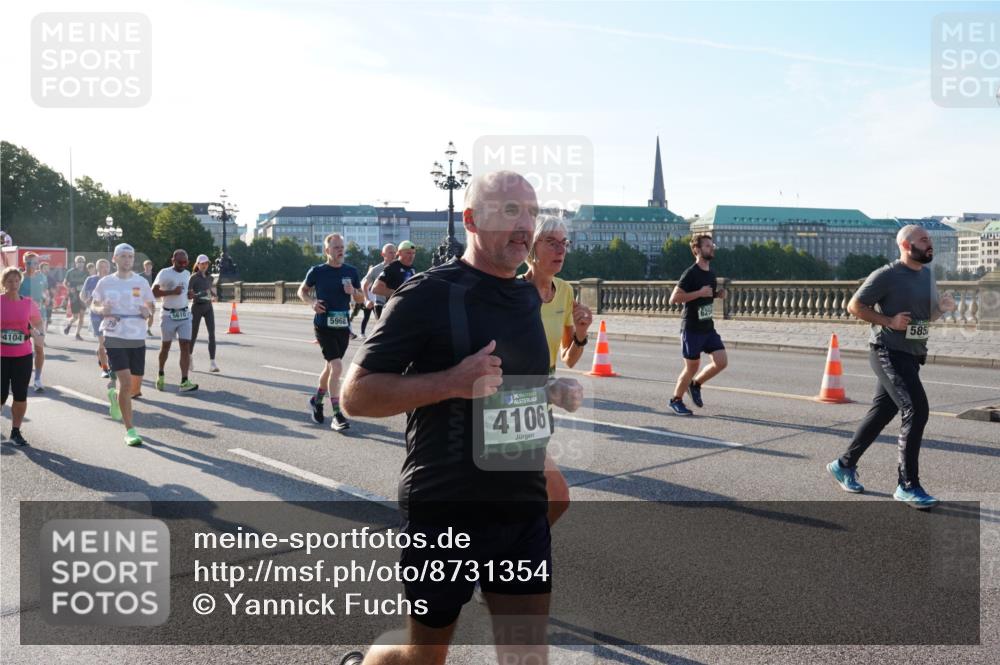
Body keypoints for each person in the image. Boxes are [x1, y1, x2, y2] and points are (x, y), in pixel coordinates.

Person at [340, 171, 584, 665]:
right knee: (423, 658)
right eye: (510, 211)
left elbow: (510, 384)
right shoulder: (428, 295)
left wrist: (551, 389)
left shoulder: (524, 294)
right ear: (471, 219)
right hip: (445, 510)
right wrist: (450, 382)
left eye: (532, 213)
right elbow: (355, 396)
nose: (525, 226)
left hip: (519, 507)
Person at [827, 224, 957, 509]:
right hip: (887, 352)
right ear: (906, 245)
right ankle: (907, 485)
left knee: (882, 412)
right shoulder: (886, 275)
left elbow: (925, 319)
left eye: (930, 239)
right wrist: (889, 321)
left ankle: (843, 465)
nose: (929, 244)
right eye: (924, 240)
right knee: (916, 409)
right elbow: (854, 306)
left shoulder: (927, 275)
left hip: (911, 354)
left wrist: (942, 309)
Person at [522, 215, 593, 527]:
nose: (560, 249)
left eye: (564, 243)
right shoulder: (512, 290)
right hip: (510, 404)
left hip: (540, 405)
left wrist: (580, 332)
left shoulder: (564, 291)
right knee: (557, 496)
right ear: (531, 247)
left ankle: (508, 556)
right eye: (551, 242)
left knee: (533, 496)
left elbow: (570, 358)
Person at [298, 233, 364, 431]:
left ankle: (316, 401)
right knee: (336, 367)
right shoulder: (317, 271)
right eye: (336, 247)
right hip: (323, 326)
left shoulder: (351, 271)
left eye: (342, 247)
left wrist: (353, 292)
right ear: (327, 251)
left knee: (330, 368)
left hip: (342, 326)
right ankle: (337, 415)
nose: (340, 250)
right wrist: (312, 303)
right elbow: (302, 291)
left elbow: (361, 299)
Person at [91, 243, 156, 446]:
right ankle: (130, 430)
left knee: (134, 385)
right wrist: (102, 309)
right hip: (114, 334)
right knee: (126, 383)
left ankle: (115, 395)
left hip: (137, 336)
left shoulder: (141, 282)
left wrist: (149, 311)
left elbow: (151, 304)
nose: (127, 260)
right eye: (123, 256)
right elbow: (94, 304)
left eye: (130, 256)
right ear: (115, 259)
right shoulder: (105, 282)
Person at [667, 234, 728, 416]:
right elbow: (674, 299)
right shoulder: (690, 273)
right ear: (697, 250)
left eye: (712, 245)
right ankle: (675, 400)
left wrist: (717, 295)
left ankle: (696, 384)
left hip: (707, 327)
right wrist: (699, 292)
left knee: (721, 361)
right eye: (708, 246)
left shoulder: (711, 273)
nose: (712, 248)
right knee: (691, 367)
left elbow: (706, 295)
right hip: (692, 328)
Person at [1, 267, 44, 447]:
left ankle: (16, 431)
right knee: (1, 395)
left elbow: (38, 323)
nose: (13, 284)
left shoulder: (28, 303)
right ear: (3, 284)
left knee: (20, 395)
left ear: (20, 283)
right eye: (10, 281)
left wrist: (38, 333)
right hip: (1, 356)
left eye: (16, 281)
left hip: (23, 355)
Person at [152, 249, 198, 393]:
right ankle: (160, 373)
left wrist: (190, 295)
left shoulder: (186, 274)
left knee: (185, 345)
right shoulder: (164, 273)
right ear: (173, 260)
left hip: (184, 314)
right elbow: (153, 292)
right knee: (166, 347)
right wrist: (171, 292)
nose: (183, 264)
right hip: (168, 315)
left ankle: (184, 381)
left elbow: (184, 292)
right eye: (180, 262)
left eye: (186, 262)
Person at [19, 252, 50, 392]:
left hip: (38, 318)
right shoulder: (18, 278)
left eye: (36, 263)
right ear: (24, 263)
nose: (33, 266)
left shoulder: (42, 277)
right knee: (19, 350)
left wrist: (46, 298)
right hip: (19, 318)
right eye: (30, 263)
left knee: (39, 348)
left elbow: (45, 292)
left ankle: (37, 379)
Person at [189, 254, 219, 373]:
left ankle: (212, 362)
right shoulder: (193, 278)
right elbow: (189, 295)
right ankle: (190, 357)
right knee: (193, 335)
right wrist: (200, 294)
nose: (204, 265)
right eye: (202, 264)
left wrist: (214, 294)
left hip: (208, 308)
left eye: (206, 263)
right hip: (196, 308)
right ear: (198, 264)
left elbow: (210, 289)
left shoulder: (210, 277)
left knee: (212, 334)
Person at [82, 259, 112, 378]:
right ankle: (105, 369)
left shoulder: (112, 280)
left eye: (106, 267)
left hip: (109, 314)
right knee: (103, 342)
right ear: (97, 268)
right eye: (102, 266)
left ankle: (102, 355)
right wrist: (87, 302)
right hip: (95, 315)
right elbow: (83, 294)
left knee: (109, 342)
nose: (104, 269)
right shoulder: (91, 280)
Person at [361, 244, 396, 325]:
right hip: (380, 305)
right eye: (390, 253)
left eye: (394, 252)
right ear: (383, 254)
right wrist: (367, 300)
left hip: (395, 303)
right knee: (383, 329)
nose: (393, 255)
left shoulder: (400, 268)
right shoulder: (376, 270)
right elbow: (364, 285)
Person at [63, 255, 89, 340]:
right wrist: (70, 289)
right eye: (79, 262)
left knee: (82, 316)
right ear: (76, 263)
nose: (80, 263)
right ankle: (69, 325)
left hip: (83, 296)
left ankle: (77, 334)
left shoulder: (86, 273)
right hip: (74, 296)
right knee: (75, 317)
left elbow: (89, 284)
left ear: (84, 263)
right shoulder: (70, 272)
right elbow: (64, 283)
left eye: (82, 262)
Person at [142, 259, 156, 336]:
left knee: (151, 314)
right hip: (142, 298)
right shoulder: (139, 276)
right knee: (143, 314)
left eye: (149, 266)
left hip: (152, 297)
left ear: (151, 267)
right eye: (146, 266)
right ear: (144, 267)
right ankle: (142, 328)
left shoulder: (155, 276)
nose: (148, 267)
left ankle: (148, 329)